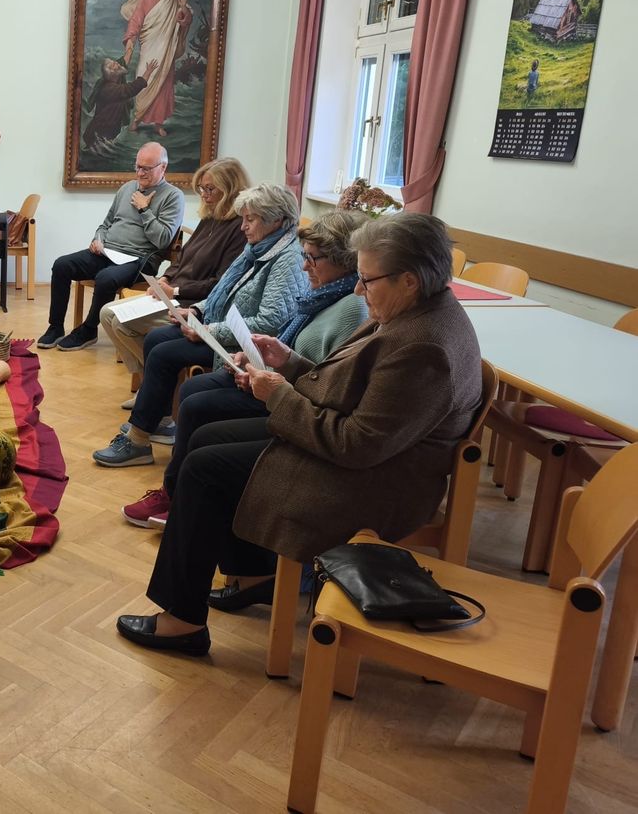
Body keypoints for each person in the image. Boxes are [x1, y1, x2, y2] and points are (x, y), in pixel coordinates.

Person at [115, 213, 484, 655]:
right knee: (209, 438)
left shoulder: (425, 345)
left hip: (375, 483)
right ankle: (254, 574)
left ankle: (182, 622)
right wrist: (289, 364)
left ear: (409, 279)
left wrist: (279, 396)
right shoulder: (417, 308)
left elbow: (356, 443)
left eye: (367, 280)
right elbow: (359, 396)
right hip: (361, 457)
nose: (357, 289)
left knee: (205, 468)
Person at [120, 209, 369, 532]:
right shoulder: (322, 289)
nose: (305, 265)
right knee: (191, 388)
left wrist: (260, 373)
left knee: (195, 401)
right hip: (280, 378)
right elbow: (300, 352)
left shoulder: (350, 306)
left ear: (344, 259)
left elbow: (324, 384)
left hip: (293, 402)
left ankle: (176, 494)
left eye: (313, 258)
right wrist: (255, 360)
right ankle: (173, 489)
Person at [92, 183, 305, 467]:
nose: (243, 227)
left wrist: (208, 330)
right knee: (157, 340)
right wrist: (195, 310)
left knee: (163, 353)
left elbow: (270, 321)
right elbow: (221, 293)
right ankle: (157, 419)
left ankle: (138, 439)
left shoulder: (287, 260)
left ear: (276, 220)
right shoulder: (258, 247)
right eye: (243, 218)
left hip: (241, 347)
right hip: (220, 330)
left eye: (250, 219)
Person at [99, 157, 249, 391]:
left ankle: (155, 387)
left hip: (193, 303)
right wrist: (165, 278)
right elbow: (183, 257)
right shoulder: (210, 218)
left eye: (210, 189)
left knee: (120, 322)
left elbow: (220, 284)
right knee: (107, 313)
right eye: (201, 188)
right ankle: (152, 383)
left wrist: (176, 290)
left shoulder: (239, 229)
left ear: (231, 189)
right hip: (174, 294)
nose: (204, 195)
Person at [37, 142, 184, 352]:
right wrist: (99, 240)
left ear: (163, 168)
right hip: (108, 251)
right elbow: (105, 224)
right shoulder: (126, 188)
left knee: (106, 278)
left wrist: (144, 210)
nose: (140, 173)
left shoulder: (173, 197)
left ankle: (88, 330)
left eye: (146, 169)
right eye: (137, 167)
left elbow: (162, 240)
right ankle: (55, 327)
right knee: (62, 265)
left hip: (140, 260)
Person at [122, 0, 192, 136]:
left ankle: (158, 124)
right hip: (149, 48)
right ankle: (137, 118)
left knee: (163, 86)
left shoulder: (172, 0)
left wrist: (182, 9)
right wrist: (131, 39)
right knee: (144, 81)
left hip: (165, 51)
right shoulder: (145, 1)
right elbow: (135, 21)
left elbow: (185, 19)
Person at [82, 57, 159, 150]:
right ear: (112, 73)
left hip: (103, 134)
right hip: (99, 134)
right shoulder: (111, 89)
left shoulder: (113, 83)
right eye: (113, 65)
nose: (117, 64)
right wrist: (148, 71)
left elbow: (124, 64)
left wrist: (130, 47)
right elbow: (133, 88)